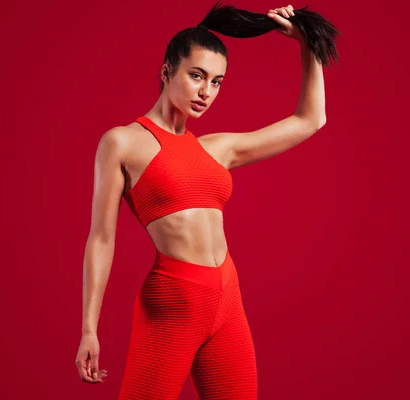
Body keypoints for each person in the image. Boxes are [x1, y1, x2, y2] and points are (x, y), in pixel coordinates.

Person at [75, 2, 339, 398]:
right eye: (196, 76)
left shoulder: (217, 149)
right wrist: (88, 329)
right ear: (167, 72)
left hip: (227, 300)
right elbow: (101, 239)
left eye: (217, 82)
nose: (206, 91)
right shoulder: (122, 142)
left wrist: (306, 43)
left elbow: (310, 120)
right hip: (173, 304)